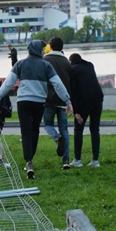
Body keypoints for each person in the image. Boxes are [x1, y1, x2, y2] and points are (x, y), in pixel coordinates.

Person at [0, 40, 73, 179]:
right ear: (38, 50)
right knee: (35, 129)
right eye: (42, 49)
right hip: (38, 103)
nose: (43, 51)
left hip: (23, 101)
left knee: (26, 131)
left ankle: (28, 161)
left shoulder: (20, 64)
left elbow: (8, 83)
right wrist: (67, 101)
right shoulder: (46, 65)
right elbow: (58, 84)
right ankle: (30, 159)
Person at [69, 53, 104, 168]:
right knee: (95, 130)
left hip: (83, 101)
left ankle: (77, 160)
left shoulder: (72, 70)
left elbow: (73, 92)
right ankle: (95, 161)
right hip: (98, 99)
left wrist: (76, 112)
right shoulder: (90, 66)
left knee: (78, 130)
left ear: (71, 61)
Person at [42, 37, 72, 168]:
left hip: (48, 99)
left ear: (51, 47)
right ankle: (66, 161)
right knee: (64, 129)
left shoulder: (45, 60)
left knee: (47, 124)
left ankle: (56, 137)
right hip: (63, 100)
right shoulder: (66, 61)